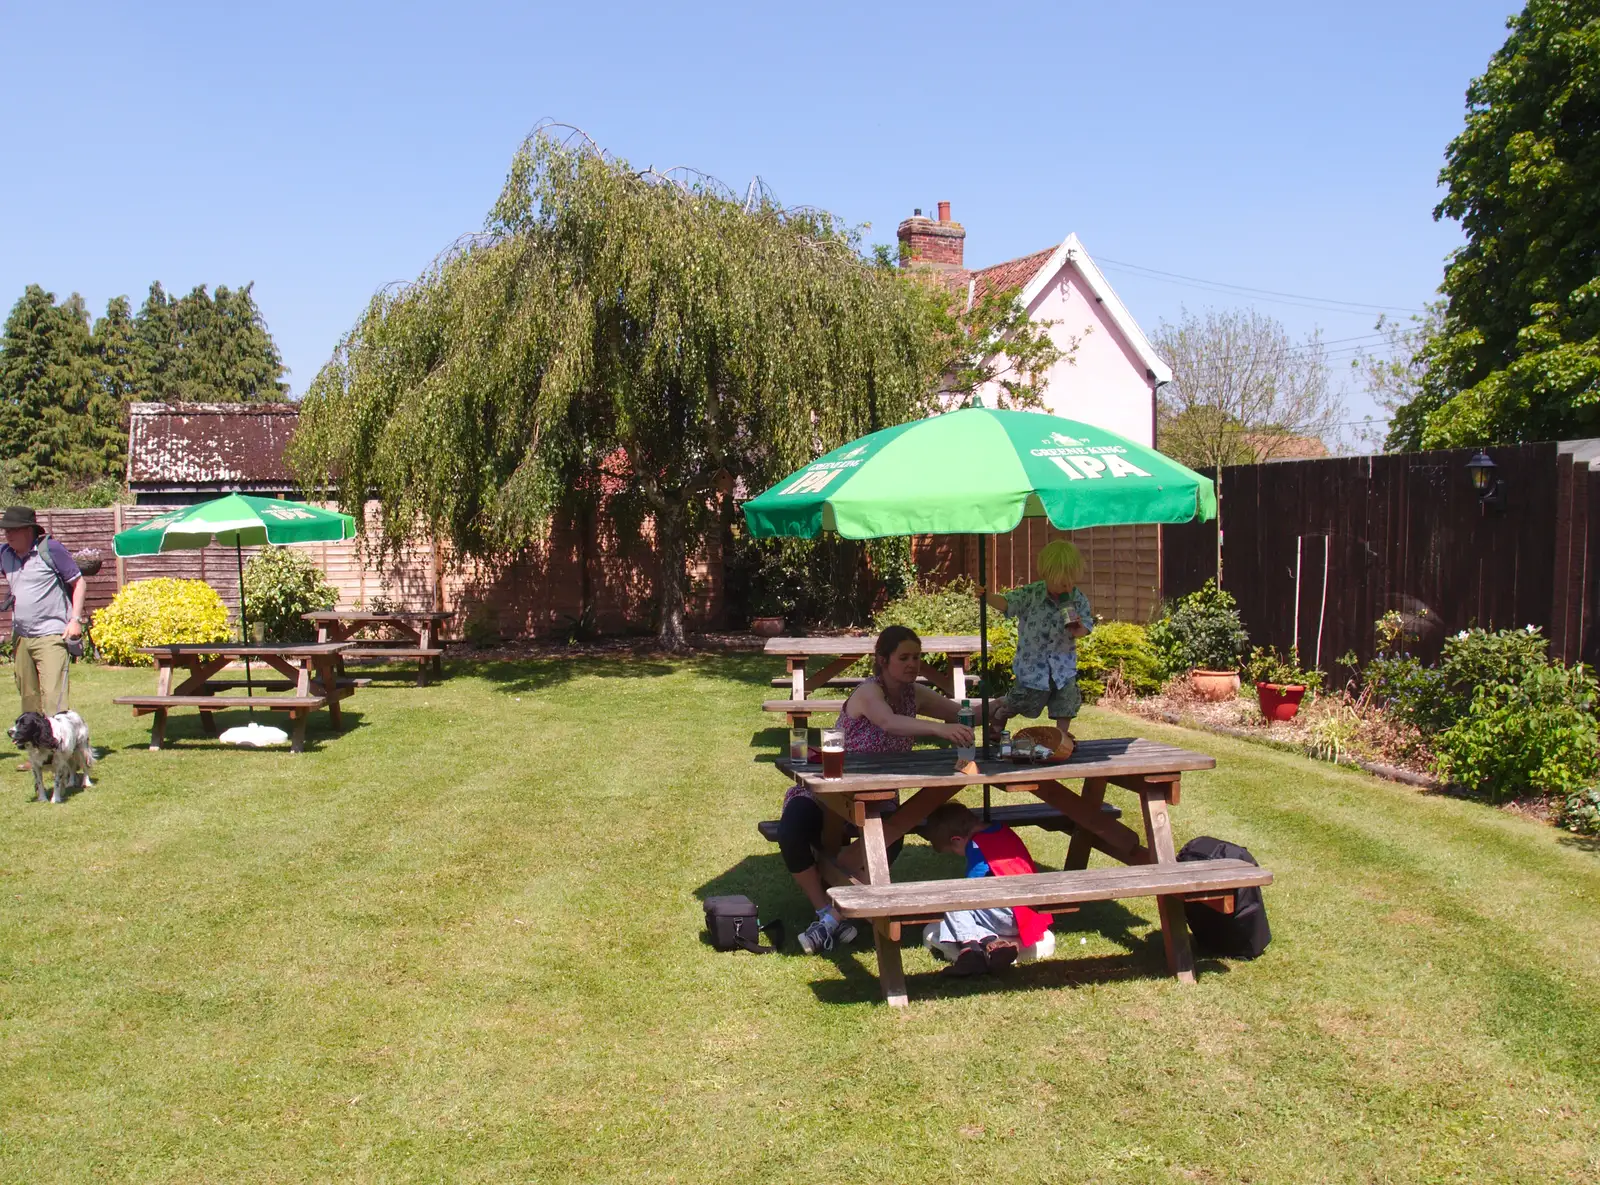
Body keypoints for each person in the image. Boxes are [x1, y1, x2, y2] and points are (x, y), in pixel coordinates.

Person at [778, 624, 975, 955]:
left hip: (878, 797)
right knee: (792, 829)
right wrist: (940, 730)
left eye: (917, 657)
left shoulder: (916, 694)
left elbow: (963, 713)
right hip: (829, 790)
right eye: (904, 657)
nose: (912, 664)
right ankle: (824, 911)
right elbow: (888, 722)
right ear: (883, 660)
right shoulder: (869, 692)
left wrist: (1002, 708)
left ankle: (834, 916)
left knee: (888, 838)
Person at [917, 801, 1057, 975]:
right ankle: (996, 946)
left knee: (952, 900)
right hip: (1028, 911)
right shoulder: (1001, 830)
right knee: (964, 915)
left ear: (957, 840)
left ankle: (971, 953)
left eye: (953, 850)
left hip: (1009, 917)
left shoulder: (977, 847)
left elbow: (971, 891)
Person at [984, 539, 1093, 737]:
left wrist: (1079, 629)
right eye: (1061, 584)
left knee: (1066, 700)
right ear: (1046, 576)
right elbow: (1007, 604)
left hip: (1063, 666)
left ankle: (1062, 735)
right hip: (1033, 666)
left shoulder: (1078, 599)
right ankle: (998, 718)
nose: (1067, 588)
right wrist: (987, 596)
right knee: (1023, 700)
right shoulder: (1031, 594)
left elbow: (1086, 626)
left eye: (1071, 583)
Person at [0, 507, 85, 729]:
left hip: (51, 635)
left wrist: (75, 619)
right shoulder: (4, 554)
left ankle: (58, 755)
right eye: (5, 530)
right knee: (28, 699)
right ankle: (38, 754)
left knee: (53, 700)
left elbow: (79, 583)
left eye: (13, 530)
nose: (7, 534)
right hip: (21, 637)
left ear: (29, 530)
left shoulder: (51, 550)